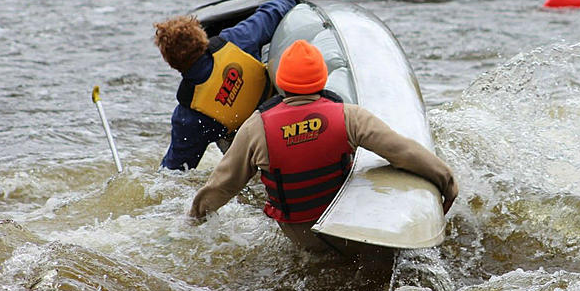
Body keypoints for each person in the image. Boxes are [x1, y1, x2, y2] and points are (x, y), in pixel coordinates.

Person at [189, 39, 458, 253]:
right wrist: (446, 181)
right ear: (322, 80)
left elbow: (222, 185)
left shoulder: (255, 127)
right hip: (346, 226)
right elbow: (403, 153)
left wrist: (194, 219)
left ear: (281, 83)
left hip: (298, 235)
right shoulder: (350, 116)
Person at [155, 0, 310, 171]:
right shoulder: (236, 41)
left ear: (171, 62)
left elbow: (175, 171)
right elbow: (271, 13)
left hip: (257, 149)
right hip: (289, 116)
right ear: (202, 37)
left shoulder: (188, 116)